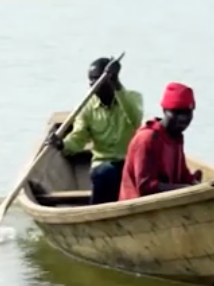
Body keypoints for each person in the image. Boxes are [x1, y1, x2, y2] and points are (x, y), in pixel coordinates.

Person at [47, 57, 145, 204]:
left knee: (145, 176)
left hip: (130, 162)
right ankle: (99, 212)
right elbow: (78, 139)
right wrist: (62, 144)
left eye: (97, 79)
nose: (92, 85)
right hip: (104, 163)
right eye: (90, 80)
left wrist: (116, 83)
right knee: (107, 174)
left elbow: (136, 120)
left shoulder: (132, 97)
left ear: (109, 79)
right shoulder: (86, 107)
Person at [118, 82, 203, 201]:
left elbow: (184, 175)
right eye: (177, 112)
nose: (183, 118)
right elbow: (146, 187)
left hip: (167, 204)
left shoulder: (176, 137)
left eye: (187, 112)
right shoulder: (147, 139)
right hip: (140, 208)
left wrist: (194, 183)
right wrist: (186, 189)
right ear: (164, 111)